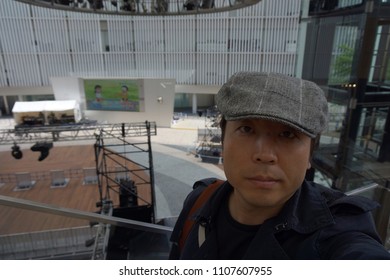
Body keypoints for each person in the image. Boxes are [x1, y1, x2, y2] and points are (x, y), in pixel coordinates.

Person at [169, 71, 390, 259]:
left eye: (287, 134)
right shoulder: (200, 200)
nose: (265, 155)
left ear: (310, 155)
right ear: (223, 140)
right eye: (246, 129)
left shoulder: (339, 229)